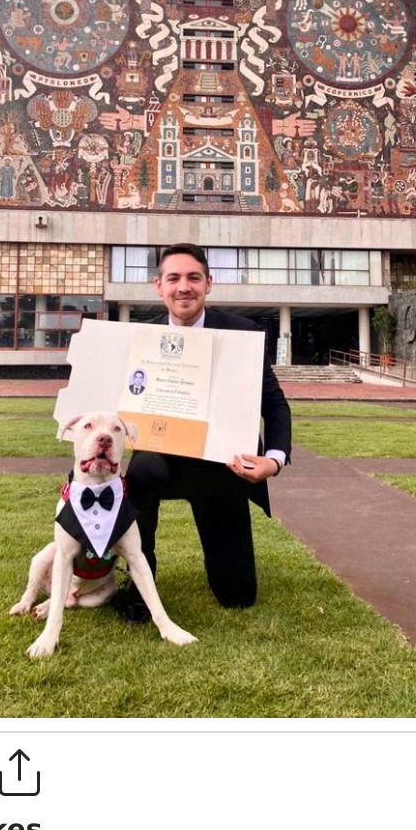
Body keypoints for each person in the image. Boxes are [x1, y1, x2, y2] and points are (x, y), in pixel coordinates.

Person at [114, 243, 292, 621]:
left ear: (208, 283)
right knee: (142, 472)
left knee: (239, 595)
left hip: (220, 466)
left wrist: (273, 461)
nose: (184, 287)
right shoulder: (138, 339)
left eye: (194, 277)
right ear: (157, 286)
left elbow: (274, 404)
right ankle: (140, 580)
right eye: (173, 278)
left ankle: (228, 570)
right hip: (160, 459)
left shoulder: (242, 335)